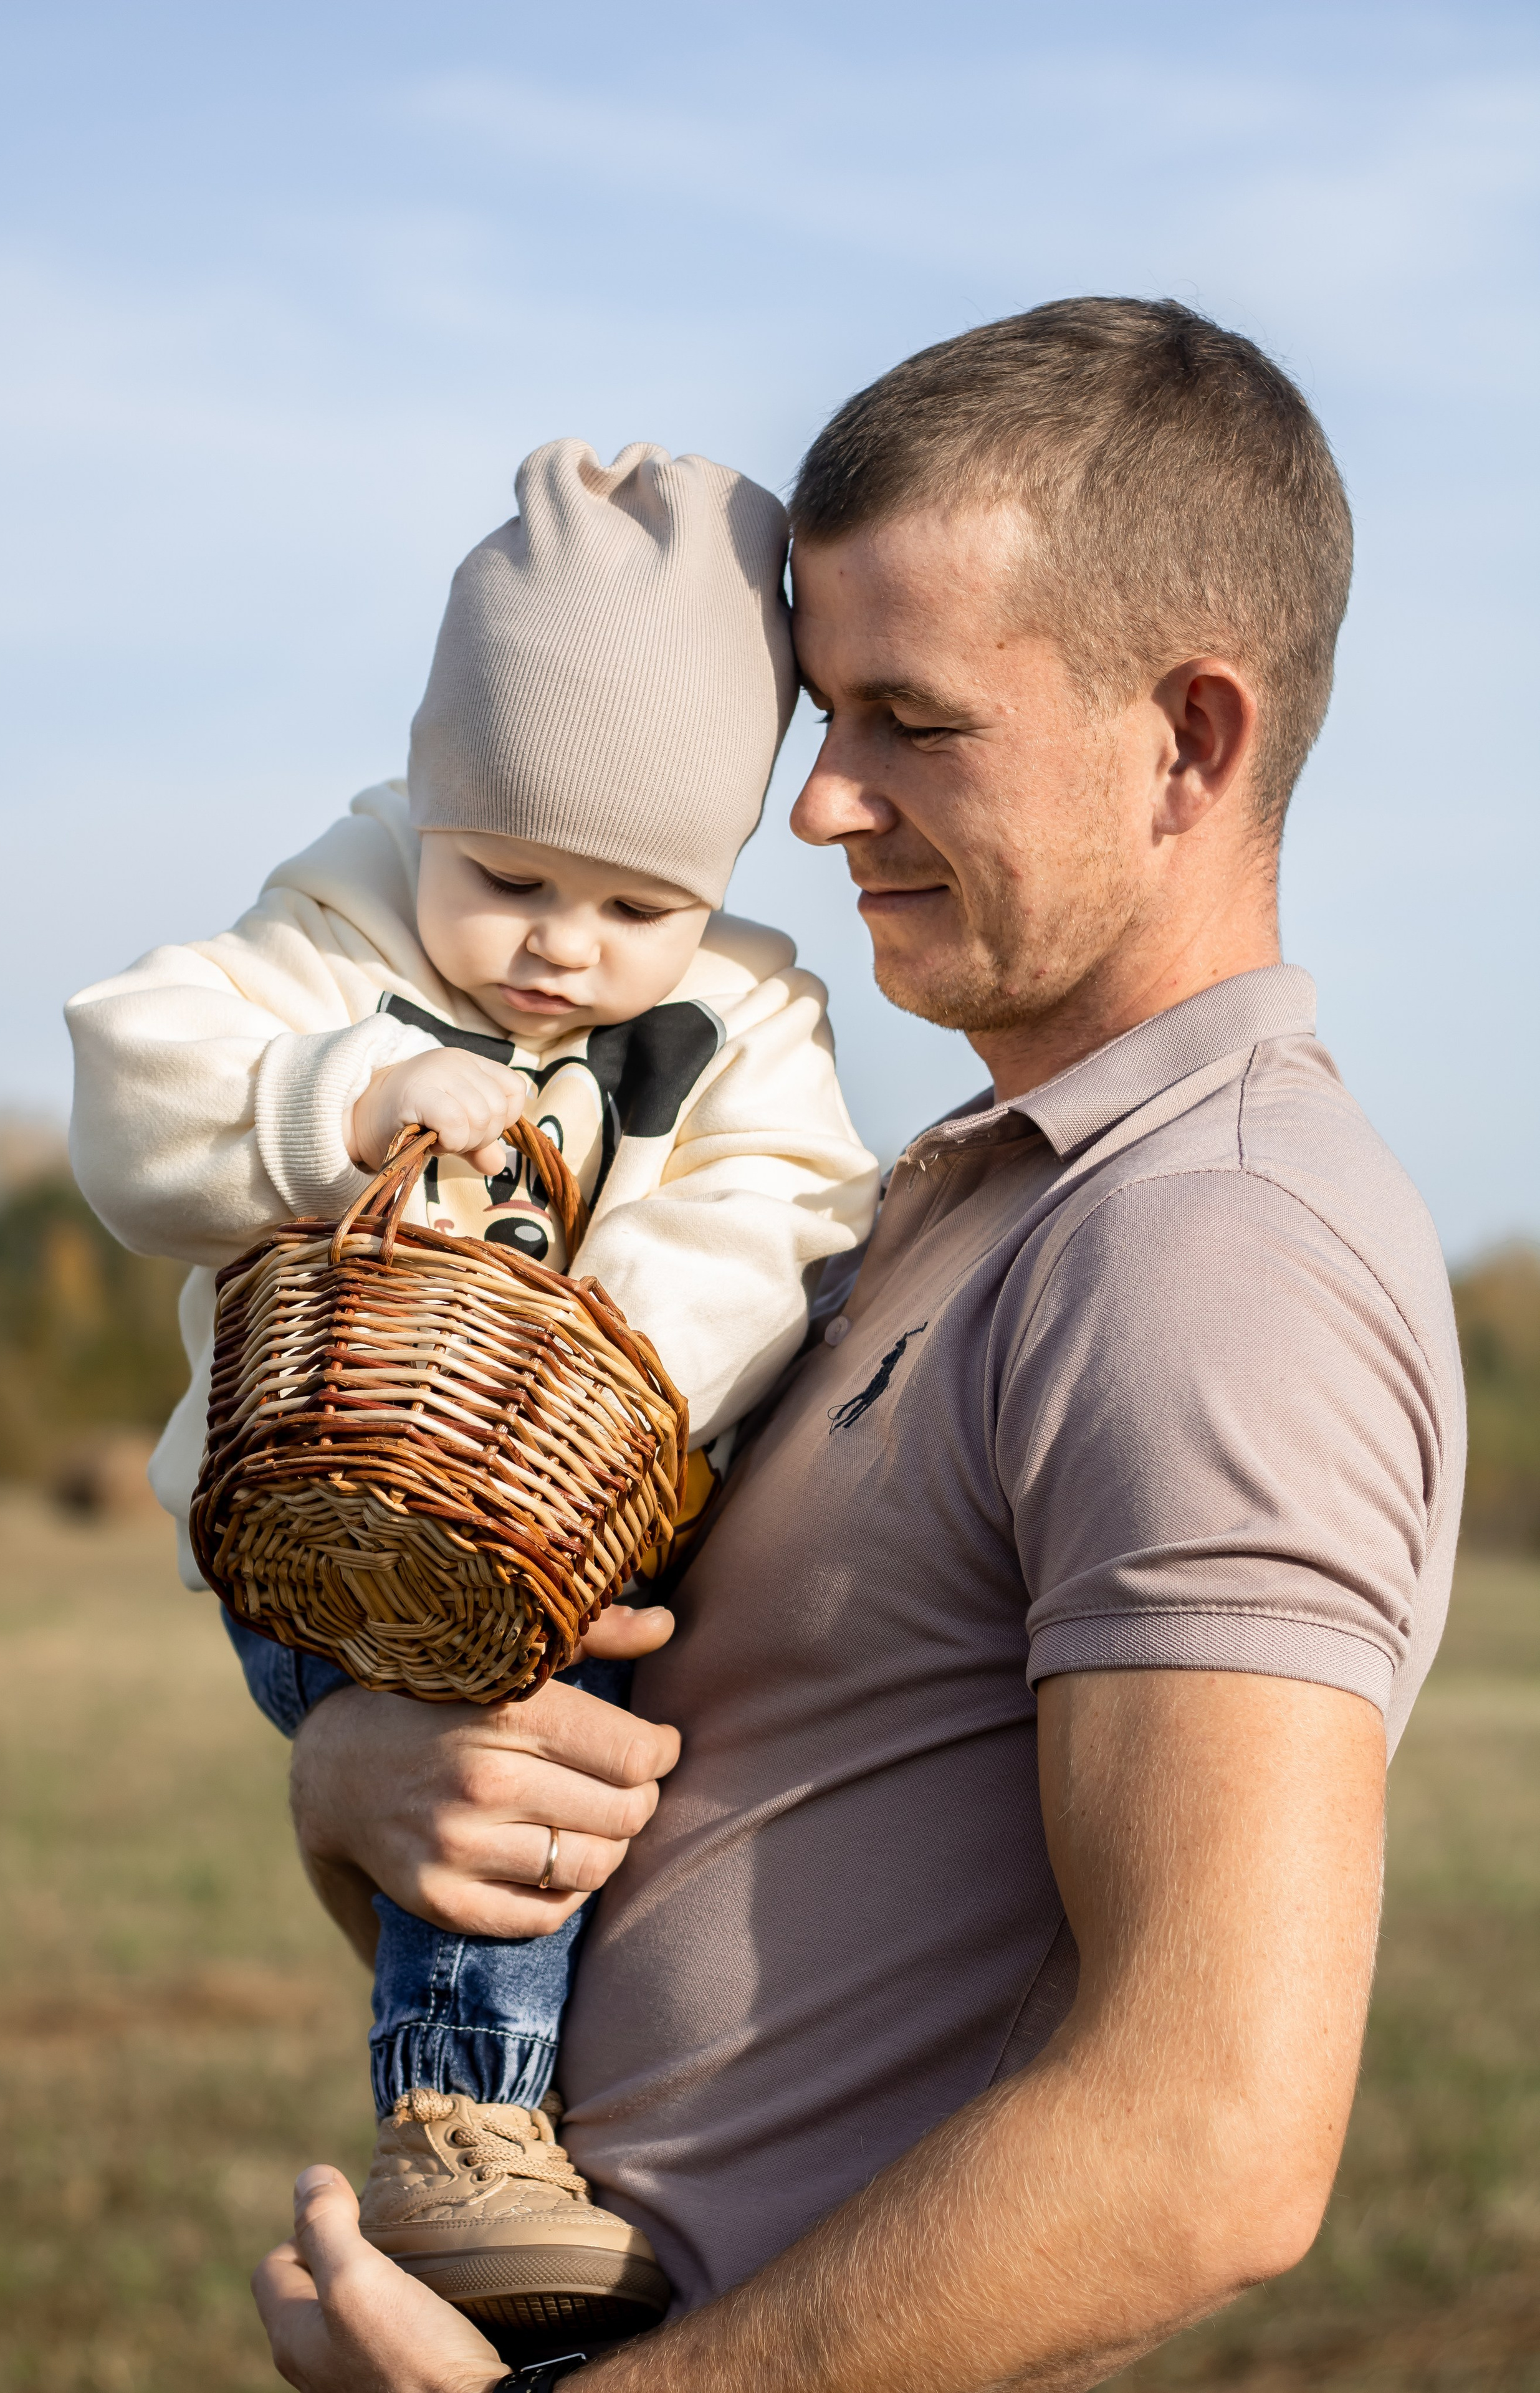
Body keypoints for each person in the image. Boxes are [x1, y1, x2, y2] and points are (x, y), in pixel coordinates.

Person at [256, 297, 1465, 2393]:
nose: (816, 809)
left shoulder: (1215, 1244)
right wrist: (369, 1788)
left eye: (913, 722)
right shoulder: (959, 1200)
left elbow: (1210, 2141)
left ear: (1193, 737)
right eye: (822, 716)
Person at [64, 441, 879, 2336]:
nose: (559, 950)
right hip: (325, 1517)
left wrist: (625, 1350)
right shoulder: (329, 938)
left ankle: (630, 2124)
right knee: (507, 1715)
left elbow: (788, 1207)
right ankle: (463, 2123)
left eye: (633, 907)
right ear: (430, 793)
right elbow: (137, 1082)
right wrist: (332, 1099)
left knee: (614, 1771)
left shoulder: (751, 1014)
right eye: (508, 876)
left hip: (574, 1505)